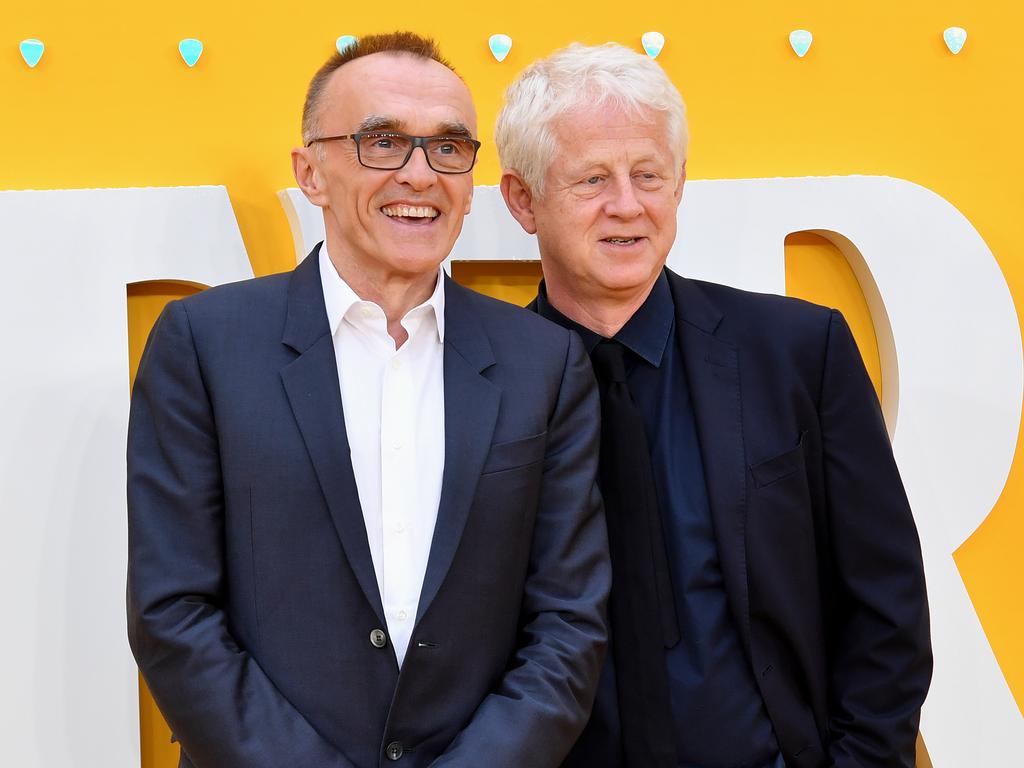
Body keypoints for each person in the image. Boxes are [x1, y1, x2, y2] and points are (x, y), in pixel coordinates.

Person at [127, 32, 610, 768]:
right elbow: (173, 612)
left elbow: (568, 624)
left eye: (448, 148)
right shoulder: (203, 344)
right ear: (311, 172)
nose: (420, 174)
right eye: (382, 142)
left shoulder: (543, 362)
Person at [497, 42, 932, 768]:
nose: (627, 205)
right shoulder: (474, 388)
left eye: (648, 175)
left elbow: (885, 603)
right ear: (523, 200)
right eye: (591, 180)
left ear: (680, 185)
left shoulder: (798, 352)